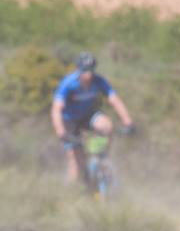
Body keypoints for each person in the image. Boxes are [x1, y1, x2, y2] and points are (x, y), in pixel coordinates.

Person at [52, 52, 135, 185]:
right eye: (85, 71)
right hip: (70, 121)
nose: (88, 74)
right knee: (75, 161)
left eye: (91, 70)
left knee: (107, 126)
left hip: (87, 115)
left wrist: (128, 122)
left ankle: (102, 158)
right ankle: (71, 192)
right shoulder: (69, 83)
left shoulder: (98, 81)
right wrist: (61, 132)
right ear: (79, 70)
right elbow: (56, 109)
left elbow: (114, 99)